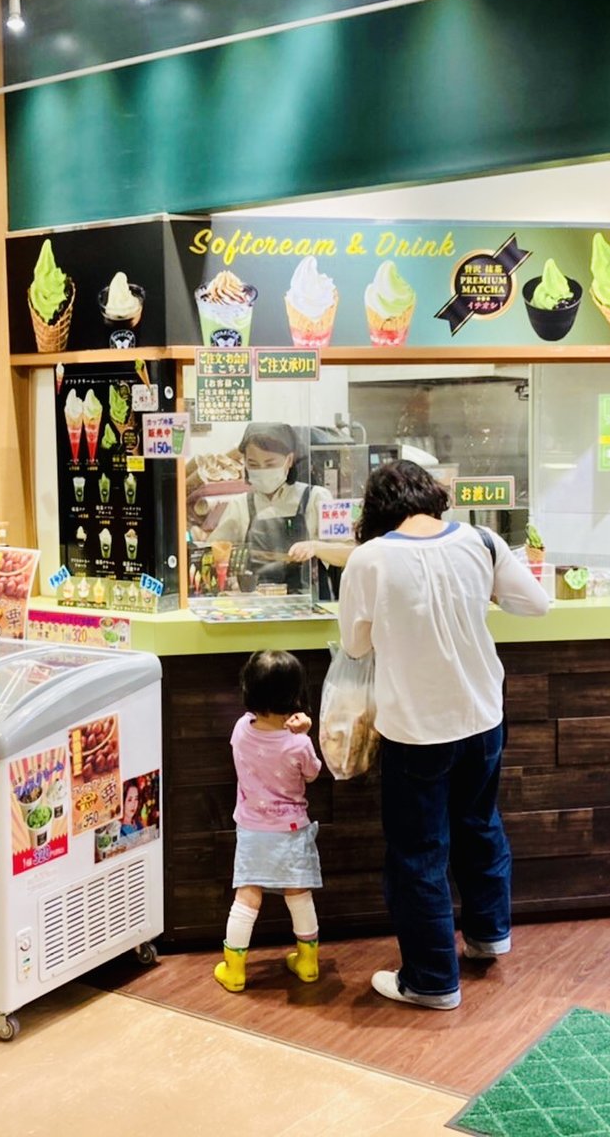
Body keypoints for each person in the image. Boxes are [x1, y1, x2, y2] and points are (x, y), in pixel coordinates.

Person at [338, 460, 550, 1010]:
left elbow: (356, 648)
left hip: (416, 727)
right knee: (479, 824)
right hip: (482, 715)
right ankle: (488, 934)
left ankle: (432, 979)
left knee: (418, 851)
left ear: (376, 510)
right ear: (432, 497)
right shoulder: (481, 541)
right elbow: (536, 604)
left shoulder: (370, 559)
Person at [213, 650, 324, 993]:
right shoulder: (298, 743)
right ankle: (308, 962)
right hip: (291, 830)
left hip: (252, 830)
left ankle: (234, 969)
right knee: (299, 893)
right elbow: (313, 774)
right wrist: (304, 731)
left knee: (247, 896)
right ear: (296, 696)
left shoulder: (240, 730)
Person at [208, 423, 341, 592]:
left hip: (307, 603)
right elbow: (214, 554)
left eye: (270, 464)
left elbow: (347, 552)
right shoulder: (240, 505)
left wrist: (315, 547)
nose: (262, 470)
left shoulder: (317, 498)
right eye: (253, 464)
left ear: (289, 460)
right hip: (257, 607)